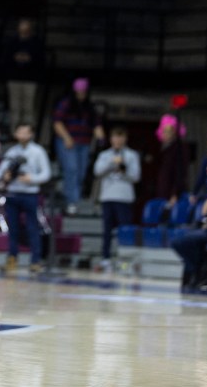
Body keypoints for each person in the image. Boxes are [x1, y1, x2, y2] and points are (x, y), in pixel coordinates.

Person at [0, 123, 51, 273]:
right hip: (13, 193)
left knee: (33, 227)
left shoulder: (38, 151)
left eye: (26, 132)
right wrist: (4, 175)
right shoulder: (12, 152)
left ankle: (35, 260)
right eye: (20, 132)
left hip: (30, 194)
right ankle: (12, 258)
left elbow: (46, 174)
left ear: (31, 134)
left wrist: (31, 178)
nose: (22, 135)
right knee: (12, 228)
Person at [53, 78, 105, 213]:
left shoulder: (89, 107)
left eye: (83, 92)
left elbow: (96, 124)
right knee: (72, 169)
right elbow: (57, 122)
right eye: (79, 92)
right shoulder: (66, 104)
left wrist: (101, 137)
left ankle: (76, 198)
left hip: (84, 143)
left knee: (81, 172)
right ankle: (72, 201)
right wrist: (66, 137)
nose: (81, 94)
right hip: (68, 142)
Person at [92, 126, 141, 271]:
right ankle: (106, 258)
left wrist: (124, 168)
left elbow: (136, 176)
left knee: (124, 230)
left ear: (125, 139)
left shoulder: (132, 155)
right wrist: (112, 163)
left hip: (124, 197)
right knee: (107, 230)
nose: (118, 140)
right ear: (111, 139)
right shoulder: (104, 155)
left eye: (121, 137)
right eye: (115, 137)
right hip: (108, 196)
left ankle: (124, 258)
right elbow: (97, 171)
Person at [3, 18, 45, 130]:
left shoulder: (36, 43)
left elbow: (40, 61)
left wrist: (29, 58)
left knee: (28, 107)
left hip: (30, 79)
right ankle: (15, 133)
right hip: (14, 78)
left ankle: (29, 133)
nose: (24, 29)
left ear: (30, 29)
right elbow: (6, 59)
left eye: (26, 26)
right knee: (14, 107)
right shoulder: (12, 42)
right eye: (22, 26)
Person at [155, 113, 188, 213]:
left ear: (176, 132)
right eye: (164, 131)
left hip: (173, 193)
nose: (166, 134)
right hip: (162, 191)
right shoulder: (164, 149)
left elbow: (180, 172)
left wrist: (175, 193)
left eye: (170, 131)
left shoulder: (179, 148)